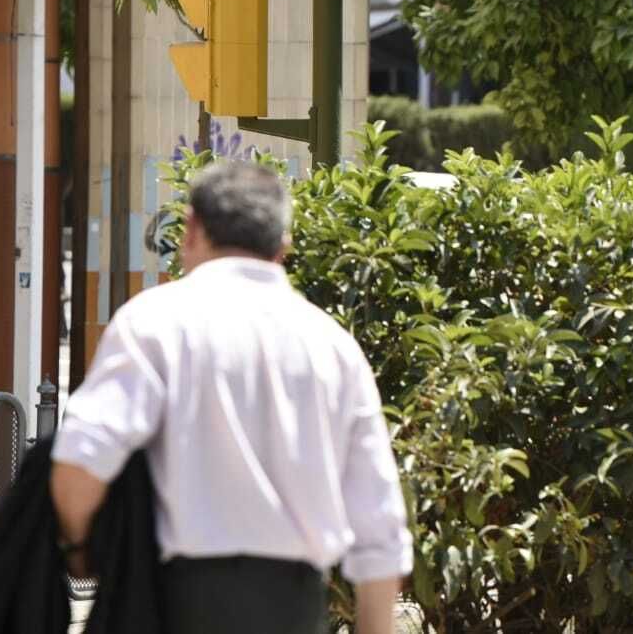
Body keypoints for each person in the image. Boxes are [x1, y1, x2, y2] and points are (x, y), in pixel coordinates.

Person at [50, 161, 411, 634]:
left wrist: (79, 550)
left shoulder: (154, 323)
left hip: (174, 604)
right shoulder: (333, 346)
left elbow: (80, 460)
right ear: (283, 245)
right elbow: (380, 521)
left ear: (192, 228)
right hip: (295, 608)